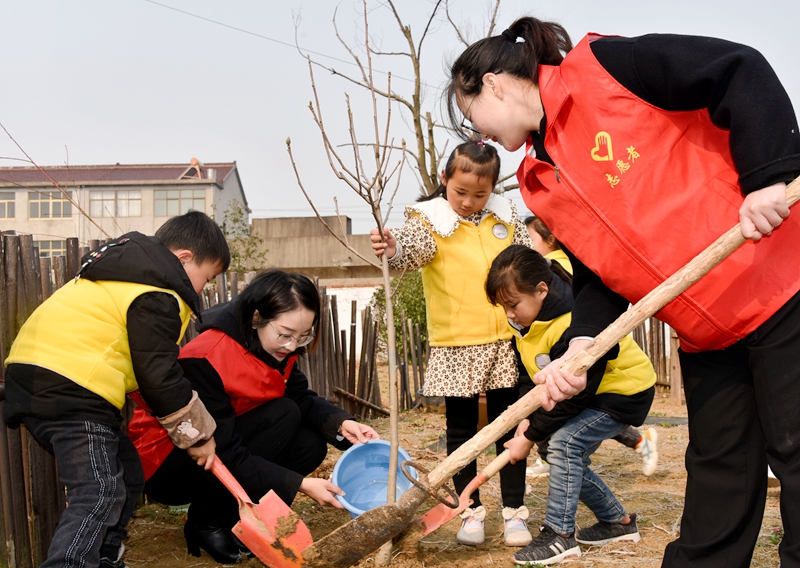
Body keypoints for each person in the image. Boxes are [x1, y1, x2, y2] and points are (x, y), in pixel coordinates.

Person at [446, 17, 800, 566]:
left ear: (492, 82)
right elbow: (598, 274)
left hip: (779, 285)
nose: (479, 134)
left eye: (471, 116)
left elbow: (738, 69)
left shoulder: (604, 71)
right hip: (706, 331)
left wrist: (767, 176)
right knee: (719, 468)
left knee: (795, 447)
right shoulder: (540, 180)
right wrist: (582, 344)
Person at [3, 211, 230, 568]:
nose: (204, 290)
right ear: (185, 258)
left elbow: (134, 363)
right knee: (98, 491)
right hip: (72, 388)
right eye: (208, 278)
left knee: (127, 471)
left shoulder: (117, 276)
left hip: (42, 379)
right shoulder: (157, 292)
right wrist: (198, 436)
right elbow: (160, 375)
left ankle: (106, 557)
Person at [127, 269, 379, 564]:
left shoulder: (273, 347)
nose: (291, 346)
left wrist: (343, 423)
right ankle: (206, 521)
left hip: (225, 444)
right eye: (285, 334)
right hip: (173, 460)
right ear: (257, 317)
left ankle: (244, 518)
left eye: (302, 336)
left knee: (309, 443)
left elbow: (300, 397)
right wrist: (299, 484)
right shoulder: (206, 357)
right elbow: (224, 451)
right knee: (282, 414)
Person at [370, 140, 541, 547]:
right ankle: (469, 510)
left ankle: (514, 511)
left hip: (506, 335)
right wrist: (393, 249)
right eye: (460, 191)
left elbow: (524, 258)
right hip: (456, 342)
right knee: (462, 433)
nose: (467, 202)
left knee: (508, 427)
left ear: (493, 189)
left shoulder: (505, 214)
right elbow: (412, 252)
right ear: (444, 179)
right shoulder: (428, 219)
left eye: (479, 194)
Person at [486, 244, 656, 565]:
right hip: (593, 392)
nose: (508, 314)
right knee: (556, 450)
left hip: (623, 389)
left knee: (564, 445)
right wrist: (526, 418)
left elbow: (577, 395)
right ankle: (616, 523)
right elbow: (530, 375)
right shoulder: (526, 321)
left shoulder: (571, 322)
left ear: (541, 290)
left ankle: (559, 535)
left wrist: (529, 435)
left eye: (512, 305)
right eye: (502, 306)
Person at [524, 215, 658, 478]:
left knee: (576, 413)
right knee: (580, 414)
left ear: (551, 239)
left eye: (532, 239)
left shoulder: (556, 272)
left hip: (606, 363)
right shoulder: (556, 269)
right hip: (598, 364)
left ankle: (554, 459)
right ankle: (555, 459)